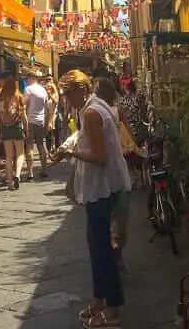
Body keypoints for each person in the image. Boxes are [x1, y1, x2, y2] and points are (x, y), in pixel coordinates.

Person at [55, 71, 130, 329]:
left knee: (101, 251)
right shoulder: (98, 107)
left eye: (67, 93)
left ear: (80, 90)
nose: (66, 99)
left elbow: (99, 155)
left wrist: (71, 153)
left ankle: (113, 310)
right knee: (96, 246)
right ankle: (100, 300)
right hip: (105, 187)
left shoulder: (90, 113)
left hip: (101, 189)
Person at [95, 78, 134, 269]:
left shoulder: (94, 112)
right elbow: (127, 130)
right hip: (117, 166)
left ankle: (109, 253)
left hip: (102, 171)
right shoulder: (116, 111)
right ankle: (117, 255)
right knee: (119, 215)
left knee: (106, 215)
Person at [0, 76, 27, 191]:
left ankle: (9, 183)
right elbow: (24, 116)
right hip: (17, 127)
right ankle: (17, 175)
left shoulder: (1, 98)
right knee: (20, 154)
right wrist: (27, 129)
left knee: (8, 156)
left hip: (5, 129)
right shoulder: (19, 97)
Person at [24, 74, 50, 180]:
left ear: (31, 79)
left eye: (27, 79)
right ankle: (44, 170)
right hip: (41, 121)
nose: (27, 81)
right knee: (40, 145)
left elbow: (24, 104)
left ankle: (30, 172)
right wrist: (47, 121)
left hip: (30, 120)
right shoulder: (43, 90)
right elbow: (47, 107)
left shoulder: (28, 89)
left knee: (29, 146)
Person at [44, 76, 61, 154]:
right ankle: (49, 149)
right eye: (47, 80)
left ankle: (56, 149)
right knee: (48, 135)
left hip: (55, 116)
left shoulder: (55, 93)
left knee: (55, 134)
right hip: (47, 117)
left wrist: (50, 94)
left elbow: (56, 101)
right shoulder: (45, 95)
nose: (48, 82)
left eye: (50, 80)